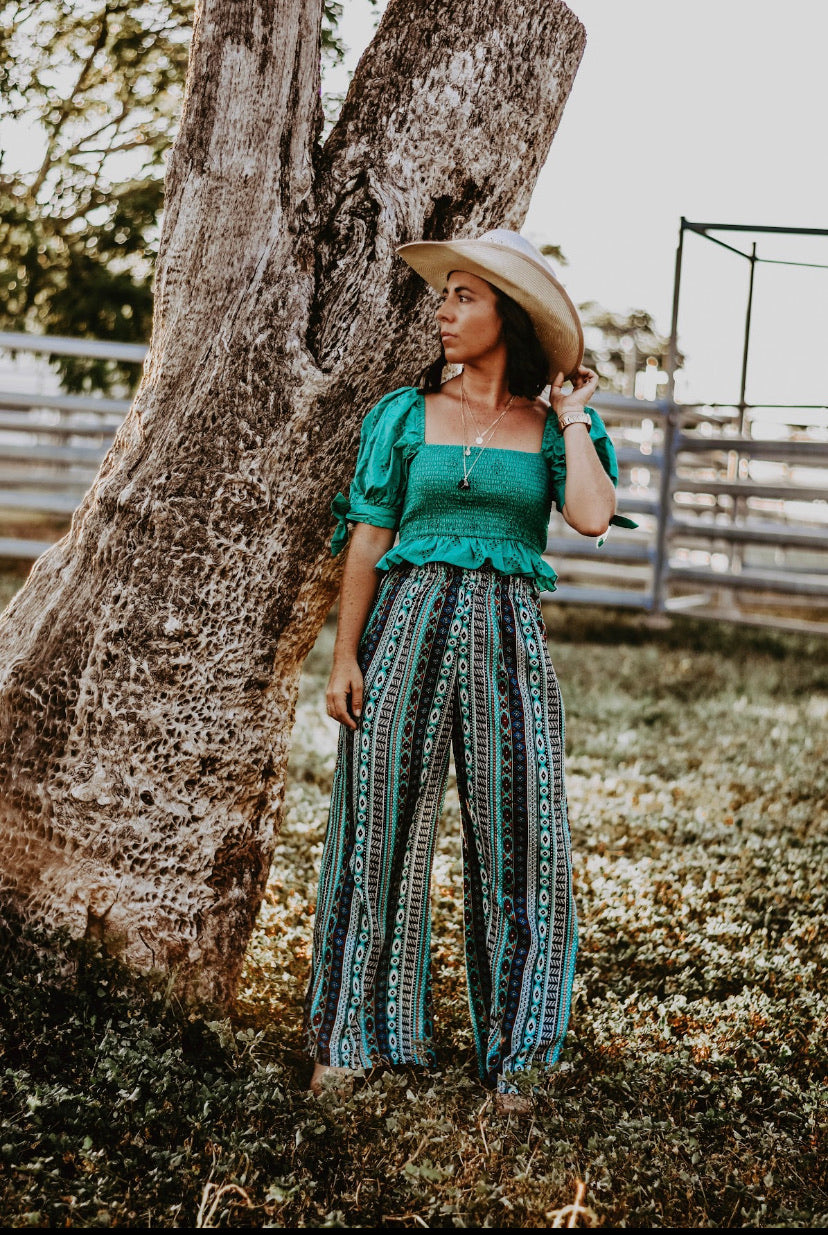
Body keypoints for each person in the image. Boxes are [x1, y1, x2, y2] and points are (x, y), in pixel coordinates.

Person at [303, 229, 636, 1114]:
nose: (443, 312)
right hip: (404, 631)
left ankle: (518, 1057)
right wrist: (343, 657)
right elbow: (369, 539)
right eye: (444, 295)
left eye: (464, 296)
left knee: (523, 839)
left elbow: (593, 515)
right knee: (376, 835)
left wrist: (570, 410)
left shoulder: (555, 427)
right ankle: (354, 1039)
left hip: (510, 641)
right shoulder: (404, 416)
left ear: (509, 316)